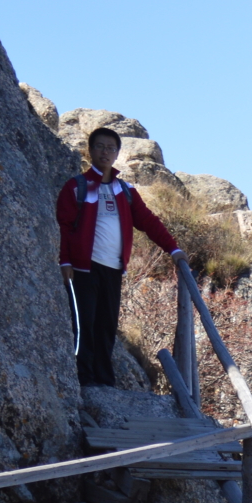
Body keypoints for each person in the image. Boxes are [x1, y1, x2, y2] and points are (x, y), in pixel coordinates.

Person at [56, 126, 182, 386]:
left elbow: (148, 221)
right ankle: (83, 378)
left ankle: (104, 379)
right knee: (84, 324)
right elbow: (64, 226)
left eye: (110, 148)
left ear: (117, 155)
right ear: (90, 151)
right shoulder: (77, 186)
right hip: (83, 267)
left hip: (113, 269)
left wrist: (174, 248)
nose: (105, 151)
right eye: (100, 146)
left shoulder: (124, 191)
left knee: (106, 326)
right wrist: (65, 261)